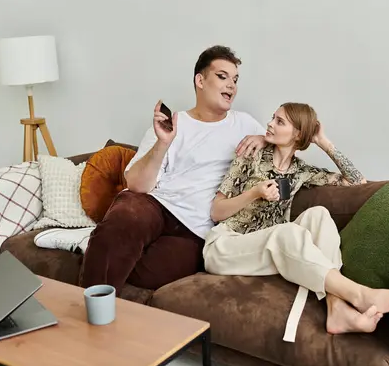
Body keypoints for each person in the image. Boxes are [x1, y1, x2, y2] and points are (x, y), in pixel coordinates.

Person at [203, 102, 389, 342]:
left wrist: (324, 143)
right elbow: (216, 212)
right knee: (286, 233)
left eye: (279, 121)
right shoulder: (250, 155)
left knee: (319, 215)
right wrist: (254, 193)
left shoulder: (301, 171)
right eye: (273, 118)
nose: (270, 123)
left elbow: (359, 183)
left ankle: (336, 309)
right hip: (226, 247)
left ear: (298, 134)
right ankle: (360, 295)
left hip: (266, 252)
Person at [79, 45, 268, 293]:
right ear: (200, 80)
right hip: (157, 206)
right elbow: (136, 186)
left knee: (144, 271)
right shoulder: (173, 124)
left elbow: (285, 146)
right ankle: (89, 312)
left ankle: (91, 246)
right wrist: (163, 144)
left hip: (197, 229)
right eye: (222, 77)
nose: (231, 85)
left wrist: (265, 140)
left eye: (235, 79)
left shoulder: (245, 123)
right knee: (125, 219)